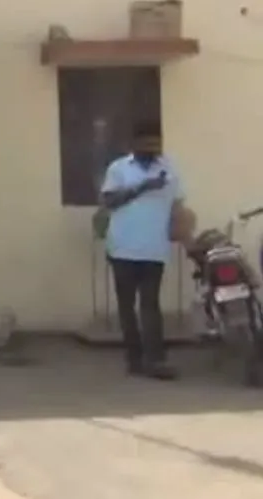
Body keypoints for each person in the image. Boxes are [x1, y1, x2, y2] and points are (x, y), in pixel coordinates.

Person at [100, 120, 184, 380]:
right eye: (146, 144)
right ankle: (134, 359)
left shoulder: (169, 168)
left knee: (150, 305)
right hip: (123, 248)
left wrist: (180, 231)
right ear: (134, 144)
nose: (152, 149)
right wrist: (142, 187)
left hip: (154, 248)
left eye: (156, 144)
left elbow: (178, 204)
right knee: (127, 307)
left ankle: (155, 360)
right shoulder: (118, 168)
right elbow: (109, 201)